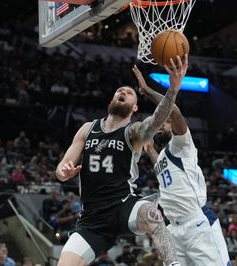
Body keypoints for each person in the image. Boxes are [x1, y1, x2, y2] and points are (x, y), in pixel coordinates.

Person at [55, 56, 188, 266]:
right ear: (112, 100)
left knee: (152, 214)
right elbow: (61, 169)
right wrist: (64, 172)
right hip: (92, 218)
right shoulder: (87, 129)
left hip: (123, 205)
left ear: (134, 108)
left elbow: (155, 121)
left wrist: (172, 90)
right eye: (120, 91)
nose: (123, 92)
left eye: (129, 92)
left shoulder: (132, 132)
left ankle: (173, 264)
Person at [134, 64, 230, 265]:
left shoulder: (182, 145)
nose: (160, 126)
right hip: (174, 230)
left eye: (164, 123)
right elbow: (160, 168)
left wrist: (149, 91)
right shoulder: (163, 157)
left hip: (197, 225)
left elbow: (174, 111)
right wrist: (150, 149)